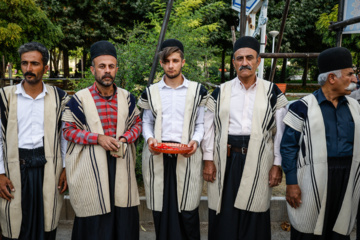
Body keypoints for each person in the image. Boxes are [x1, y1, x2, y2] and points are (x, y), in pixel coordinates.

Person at [202, 36, 288, 240]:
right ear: (234, 62)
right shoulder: (220, 92)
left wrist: (277, 164)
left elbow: (281, 132)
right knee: (224, 212)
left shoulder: (272, 92)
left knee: (255, 212)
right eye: (239, 59)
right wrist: (208, 160)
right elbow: (208, 127)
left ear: (258, 61)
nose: (244, 63)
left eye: (249, 58)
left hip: (259, 159)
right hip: (226, 158)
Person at [62, 40, 142, 240]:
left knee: (123, 218)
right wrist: (97, 138)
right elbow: (68, 131)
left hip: (121, 166)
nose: (107, 71)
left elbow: (138, 125)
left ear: (116, 69)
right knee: (94, 221)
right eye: (102, 66)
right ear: (92, 69)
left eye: (111, 66)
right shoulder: (78, 100)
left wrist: (125, 137)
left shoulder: (127, 98)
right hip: (91, 169)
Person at [281, 47, 360, 240]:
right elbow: (288, 147)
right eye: (350, 74)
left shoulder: (355, 106)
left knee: (339, 230)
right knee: (308, 228)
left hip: (347, 177)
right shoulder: (301, 107)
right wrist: (291, 183)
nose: (355, 79)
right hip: (311, 178)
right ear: (332, 78)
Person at [138, 39, 207, 240]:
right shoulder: (151, 92)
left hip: (187, 156)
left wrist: (195, 141)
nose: (171, 65)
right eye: (167, 61)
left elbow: (201, 124)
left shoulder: (197, 91)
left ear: (183, 62)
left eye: (175, 60)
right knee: (161, 210)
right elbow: (146, 122)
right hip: (158, 156)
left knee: (187, 211)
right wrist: (150, 140)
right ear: (161, 63)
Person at [0, 42, 69, 240]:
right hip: (14, 170)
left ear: (45, 68)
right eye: (24, 63)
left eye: (34, 64)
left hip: (48, 169)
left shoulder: (59, 97)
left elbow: (63, 136)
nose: (28, 69)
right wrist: (0, 173)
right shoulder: (5, 97)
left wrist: (64, 168)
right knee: (15, 225)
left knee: (45, 223)